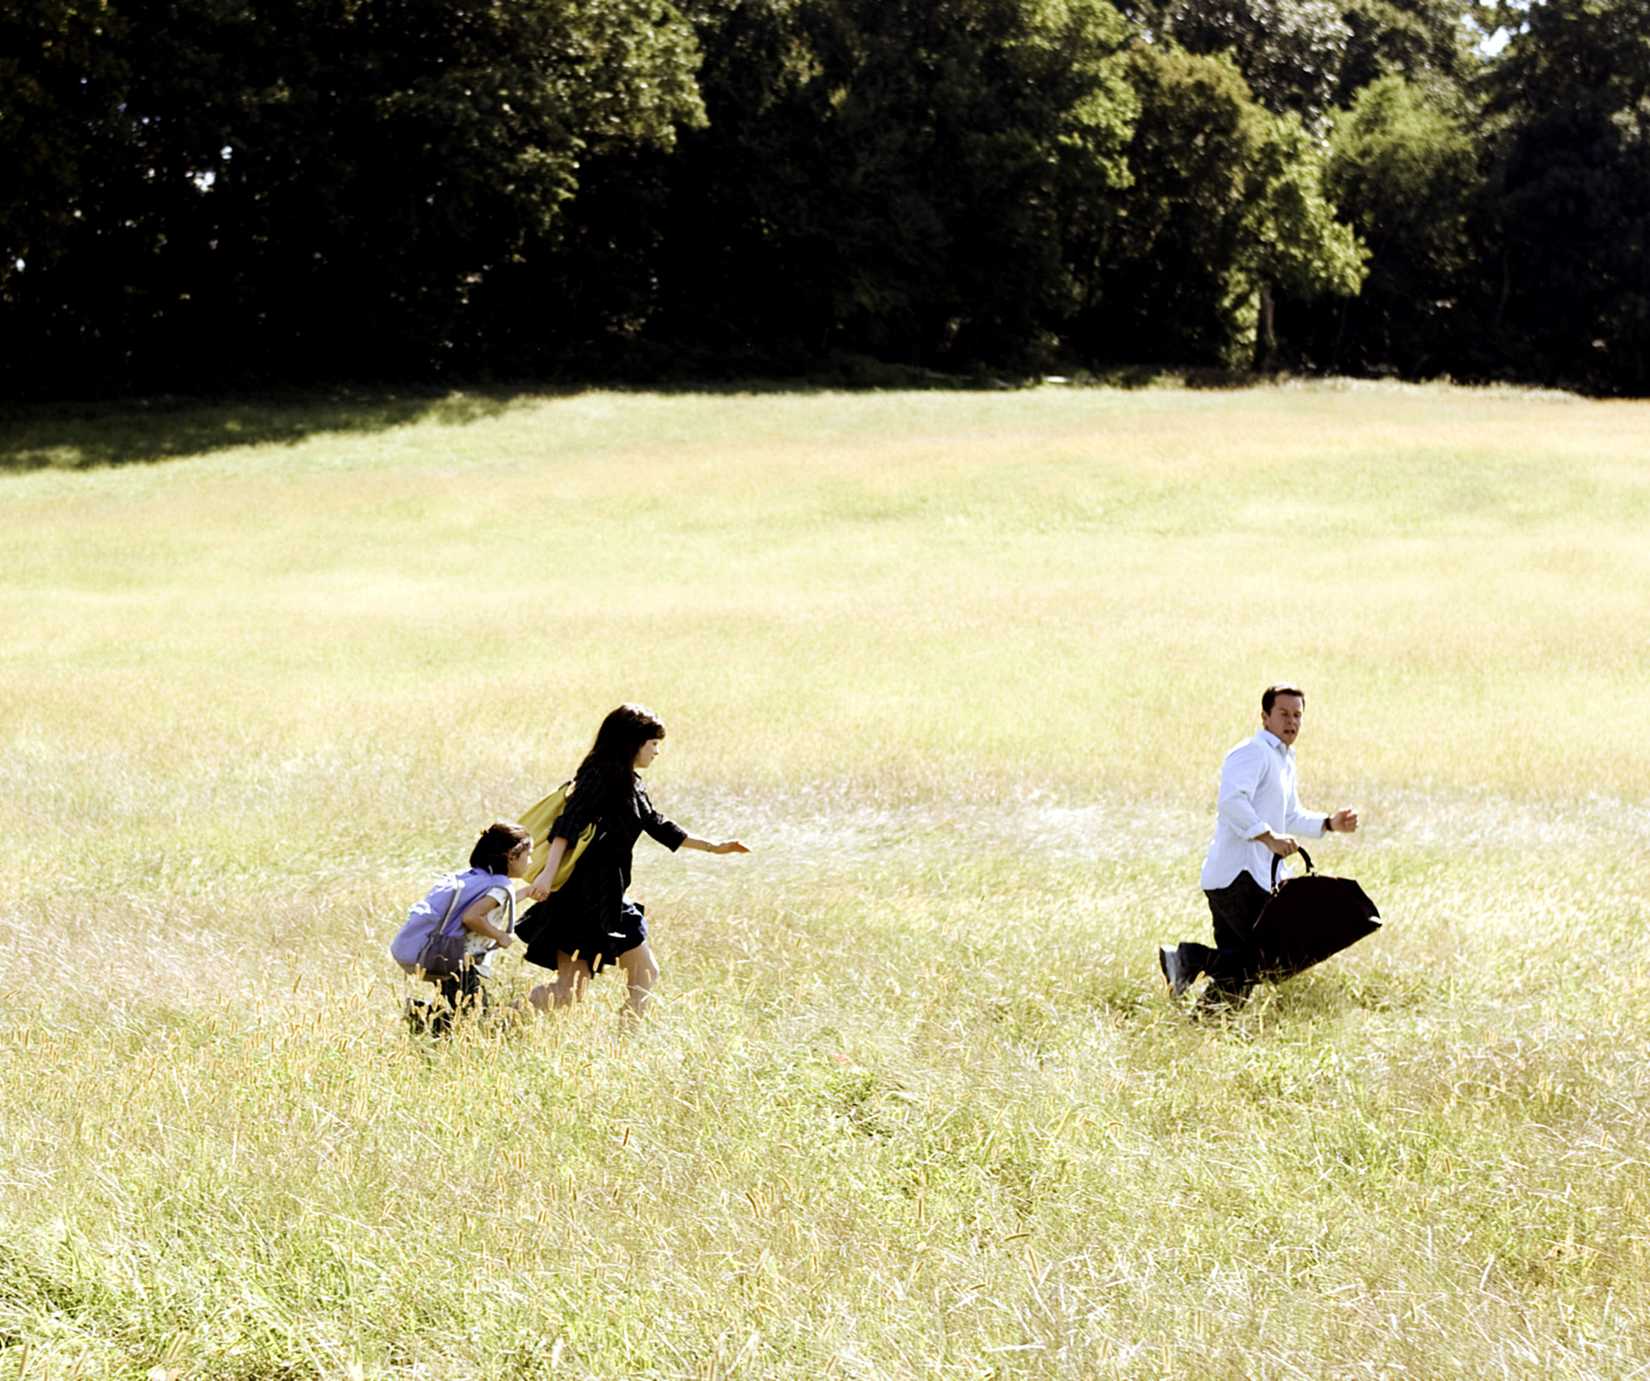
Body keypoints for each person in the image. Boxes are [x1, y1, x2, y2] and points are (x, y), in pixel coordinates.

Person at [516, 704, 748, 1020]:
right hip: (580, 900)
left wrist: (715, 847)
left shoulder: (631, 781)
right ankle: (495, 1021)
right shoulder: (599, 775)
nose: (656, 752)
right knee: (570, 992)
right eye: (653, 744)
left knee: (642, 975)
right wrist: (546, 877)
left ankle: (626, 1043)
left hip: (609, 897)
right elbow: (566, 826)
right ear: (632, 742)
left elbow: (657, 823)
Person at [1159, 685, 1359, 1010]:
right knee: (1263, 959)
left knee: (1240, 972)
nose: (1291, 721)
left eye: (1297, 715)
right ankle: (1186, 957)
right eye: (1283, 713)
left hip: (1251, 878)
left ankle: (1205, 1027)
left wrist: (1329, 823)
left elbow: (1290, 815)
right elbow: (1232, 802)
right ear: (1265, 717)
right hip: (1238, 877)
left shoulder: (1283, 760)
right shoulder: (1252, 752)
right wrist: (1269, 837)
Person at [408, 820, 532, 1036]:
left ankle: (423, 1017)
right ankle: (420, 1016)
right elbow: (472, 916)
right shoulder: (501, 886)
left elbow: (493, 904)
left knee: (460, 1009)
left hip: (446, 955)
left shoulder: (480, 878)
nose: (530, 861)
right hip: (463, 963)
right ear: (511, 856)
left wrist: (529, 892)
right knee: (472, 1014)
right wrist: (499, 936)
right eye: (528, 855)